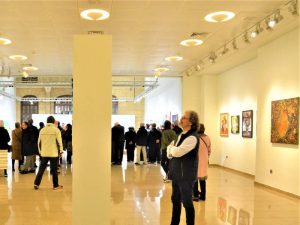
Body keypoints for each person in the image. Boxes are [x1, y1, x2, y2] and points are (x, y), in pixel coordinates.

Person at [167, 110, 199, 225]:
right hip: (177, 174)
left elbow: (177, 152)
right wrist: (171, 150)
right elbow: (169, 149)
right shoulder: (181, 134)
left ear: (191, 122)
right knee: (175, 201)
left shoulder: (192, 138)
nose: (181, 119)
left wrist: (172, 150)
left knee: (187, 203)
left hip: (186, 176)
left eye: (184, 118)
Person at [34, 116, 63, 190]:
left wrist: (40, 152)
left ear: (47, 122)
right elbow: (60, 142)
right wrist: (61, 151)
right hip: (53, 153)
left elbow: (39, 142)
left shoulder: (42, 130)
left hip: (44, 153)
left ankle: (36, 184)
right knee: (54, 170)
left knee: (41, 169)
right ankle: (55, 185)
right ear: (53, 122)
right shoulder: (56, 130)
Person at [193, 123, 211, 201]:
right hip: (204, 161)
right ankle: (203, 196)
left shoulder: (195, 138)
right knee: (203, 179)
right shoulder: (207, 138)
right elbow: (209, 150)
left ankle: (196, 196)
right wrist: (206, 157)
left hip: (195, 160)